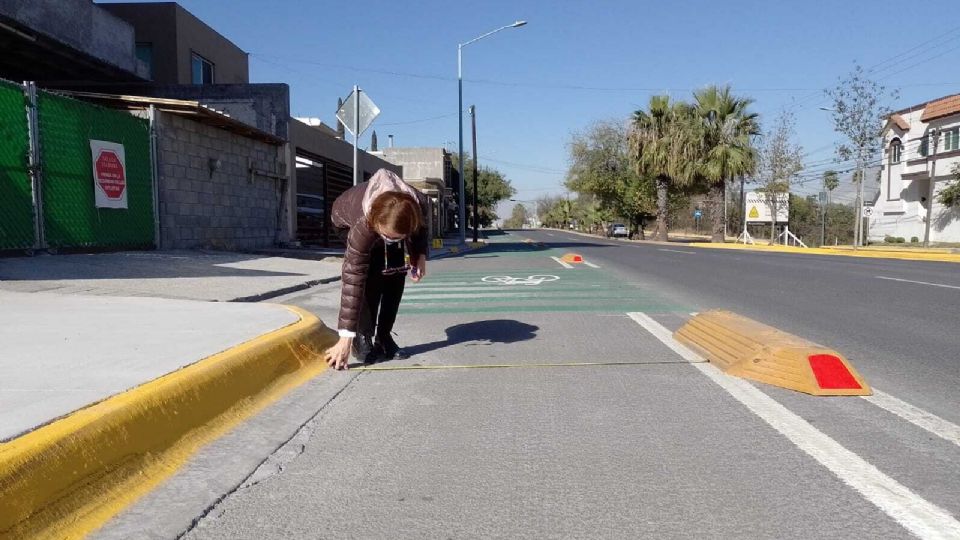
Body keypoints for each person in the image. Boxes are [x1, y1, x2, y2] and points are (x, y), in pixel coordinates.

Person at [324, 169, 429, 370]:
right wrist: (345, 337)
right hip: (345, 221)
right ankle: (362, 337)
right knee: (371, 275)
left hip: (388, 220)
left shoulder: (418, 204)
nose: (391, 241)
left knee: (396, 273)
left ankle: (384, 336)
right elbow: (353, 278)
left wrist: (419, 256)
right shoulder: (363, 224)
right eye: (388, 236)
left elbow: (421, 229)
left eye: (397, 237)